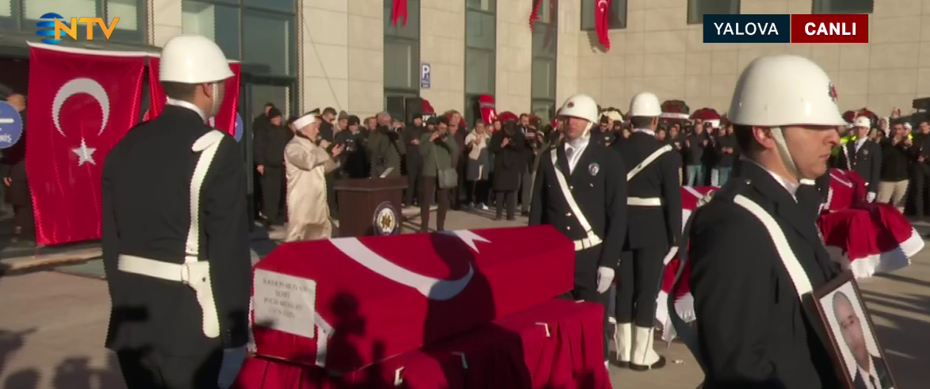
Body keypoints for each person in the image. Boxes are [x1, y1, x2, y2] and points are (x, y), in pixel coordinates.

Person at [679, 55, 846, 389]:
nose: (835, 137)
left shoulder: (787, 203)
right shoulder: (734, 223)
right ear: (765, 133)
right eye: (816, 126)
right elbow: (740, 368)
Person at [101, 34, 250, 389]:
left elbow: (112, 240)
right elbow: (228, 247)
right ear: (207, 87)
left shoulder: (126, 144)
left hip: (132, 319)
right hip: (190, 324)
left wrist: (123, 300)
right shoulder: (216, 148)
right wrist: (233, 328)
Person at [530, 94, 628, 369]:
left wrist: (609, 262)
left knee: (593, 327)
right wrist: (535, 255)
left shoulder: (609, 159)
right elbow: (537, 211)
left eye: (577, 118)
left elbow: (618, 215)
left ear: (590, 123)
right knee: (557, 324)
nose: (570, 122)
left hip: (591, 256)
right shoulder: (549, 158)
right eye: (566, 117)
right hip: (556, 257)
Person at [610, 91, 681, 371]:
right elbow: (673, 199)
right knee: (647, 290)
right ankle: (643, 354)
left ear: (630, 119)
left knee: (625, 288)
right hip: (653, 228)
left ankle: (625, 351)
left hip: (622, 226)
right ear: (655, 120)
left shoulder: (616, 150)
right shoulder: (667, 154)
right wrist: (676, 235)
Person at [284, 112, 345, 241]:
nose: (317, 131)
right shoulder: (293, 147)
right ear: (303, 130)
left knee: (321, 235)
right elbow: (308, 162)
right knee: (298, 236)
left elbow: (323, 168)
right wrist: (322, 149)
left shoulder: (313, 147)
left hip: (318, 200)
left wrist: (333, 157)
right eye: (314, 128)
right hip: (302, 201)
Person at [832, 292, 893, 389]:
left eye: (851, 322)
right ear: (842, 335)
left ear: (859, 322)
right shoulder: (852, 386)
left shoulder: (889, 366)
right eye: (844, 326)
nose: (851, 334)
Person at [418, 116, 458, 232]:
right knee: (426, 200)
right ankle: (424, 226)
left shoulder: (449, 137)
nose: (442, 131)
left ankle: (440, 227)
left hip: (444, 172)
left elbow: (455, 150)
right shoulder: (426, 136)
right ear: (436, 127)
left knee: (443, 201)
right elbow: (422, 152)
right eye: (440, 128)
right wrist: (431, 139)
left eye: (444, 128)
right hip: (429, 172)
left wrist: (446, 141)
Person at [254, 107, 291, 227]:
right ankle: (268, 216)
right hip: (267, 166)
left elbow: (287, 147)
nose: (278, 120)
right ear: (270, 119)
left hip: (280, 166)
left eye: (279, 117)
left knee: (279, 192)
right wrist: (259, 162)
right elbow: (258, 147)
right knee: (269, 193)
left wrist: (286, 160)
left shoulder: (283, 131)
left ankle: (277, 216)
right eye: (275, 117)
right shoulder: (263, 131)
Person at [838, 117, 882, 202]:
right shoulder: (848, 145)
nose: (858, 131)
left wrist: (872, 189)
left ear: (867, 130)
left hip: (864, 184)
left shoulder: (873, 146)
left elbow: (875, 169)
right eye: (856, 128)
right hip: (849, 183)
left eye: (861, 128)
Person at [490, 119, 526, 220]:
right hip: (501, 165)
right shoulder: (497, 135)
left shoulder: (519, 135)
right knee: (500, 191)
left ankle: (511, 215)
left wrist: (512, 144)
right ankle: (498, 215)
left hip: (513, 165)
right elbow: (492, 148)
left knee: (512, 192)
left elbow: (521, 148)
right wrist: (502, 145)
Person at [367, 112, 405, 178]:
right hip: (380, 167)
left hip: (393, 167)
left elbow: (403, 150)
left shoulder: (395, 132)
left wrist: (395, 133)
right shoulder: (376, 133)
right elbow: (372, 148)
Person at [403, 115, 426, 207]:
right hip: (411, 157)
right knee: (411, 180)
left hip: (422, 157)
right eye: (416, 119)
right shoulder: (408, 129)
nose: (417, 121)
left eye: (419, 119)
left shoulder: (424, 130)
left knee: (421, 181)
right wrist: (411, 142)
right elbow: (403, 140)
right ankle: (408, 201)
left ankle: (420, 201)